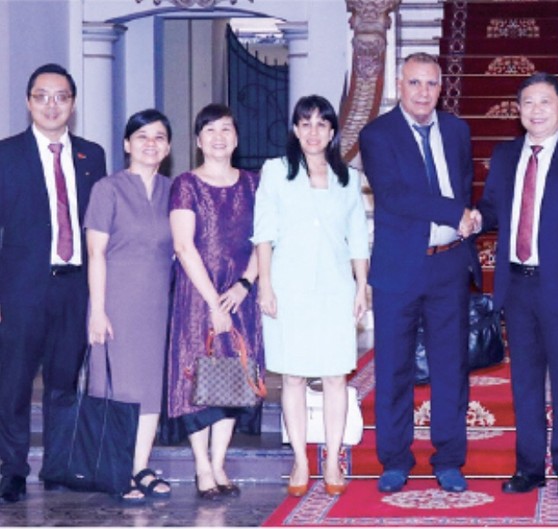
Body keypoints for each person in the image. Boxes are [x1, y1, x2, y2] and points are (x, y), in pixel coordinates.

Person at [478, 73, 558, 498]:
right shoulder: (504, 155)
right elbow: (492, 210)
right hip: (517, 286)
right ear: (519, 110)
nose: (536, 110)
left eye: (545, 102)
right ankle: (530, 467)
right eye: (528, 102)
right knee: (525, 382)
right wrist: (471, 218)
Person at [358, 52, 480, 494]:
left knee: (452, 368)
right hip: (399, 268)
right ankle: (394, 459)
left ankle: (449, 458)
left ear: (441, 86)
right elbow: (394, 195)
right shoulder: (377, 134)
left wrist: (467, 221)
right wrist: (456, 211)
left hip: (449, 263)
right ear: (398, 83)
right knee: (394, 369)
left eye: (431, 84)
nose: (424, 92)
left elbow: (463, 183)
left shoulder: (457, 129)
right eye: (415, 83)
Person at [0, 63, 107, 504]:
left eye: (60, 96)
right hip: (22, 290)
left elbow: (100, 228)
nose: (51, 105)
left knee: (65, 383)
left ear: (73, 104)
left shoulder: (92, 155)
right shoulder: (5, 155)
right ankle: (12, 469)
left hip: (75, 288)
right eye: (42, 96)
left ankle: (59, 464)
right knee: (14, 384)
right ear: (28, 103)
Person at [253, 95, 369, 497]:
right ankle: (301, 459)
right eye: (305, 123)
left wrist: (361, 286)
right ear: (295, 129)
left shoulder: (348, 178)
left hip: (336, 287)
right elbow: (264, 232)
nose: (313, 132)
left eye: (321, 124)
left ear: (333, 132)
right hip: (288, 286)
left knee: (336, 375)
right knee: (294, 376)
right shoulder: (275, 171)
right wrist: (265, 284)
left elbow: (358, 237)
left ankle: (333, 457)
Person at [165, 103, 263, 501]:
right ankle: (202, 468)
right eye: (210, 130)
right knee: (197, 377)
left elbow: (265, 242)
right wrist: (213, 303)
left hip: (239, 294)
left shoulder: (255, 184)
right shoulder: (186, 184)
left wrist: (244, 284)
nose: (219, 137)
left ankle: (219, 463)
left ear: (236, 138)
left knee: (232, 379)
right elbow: (184, 247)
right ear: (198, 140)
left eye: (226, 129)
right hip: (198, 294)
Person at [84, 109, 175, 502]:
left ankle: (139, 466)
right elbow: (96, 253)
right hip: (115, 300)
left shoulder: (176, 190)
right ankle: (115, 468)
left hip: (157, 304)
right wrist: (98, 310)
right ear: (126, 145)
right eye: (142, 137)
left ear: (169, 147)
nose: (150, 143)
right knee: (116, 385)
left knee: (150, 387)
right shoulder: (108, 189)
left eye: (158, 137)